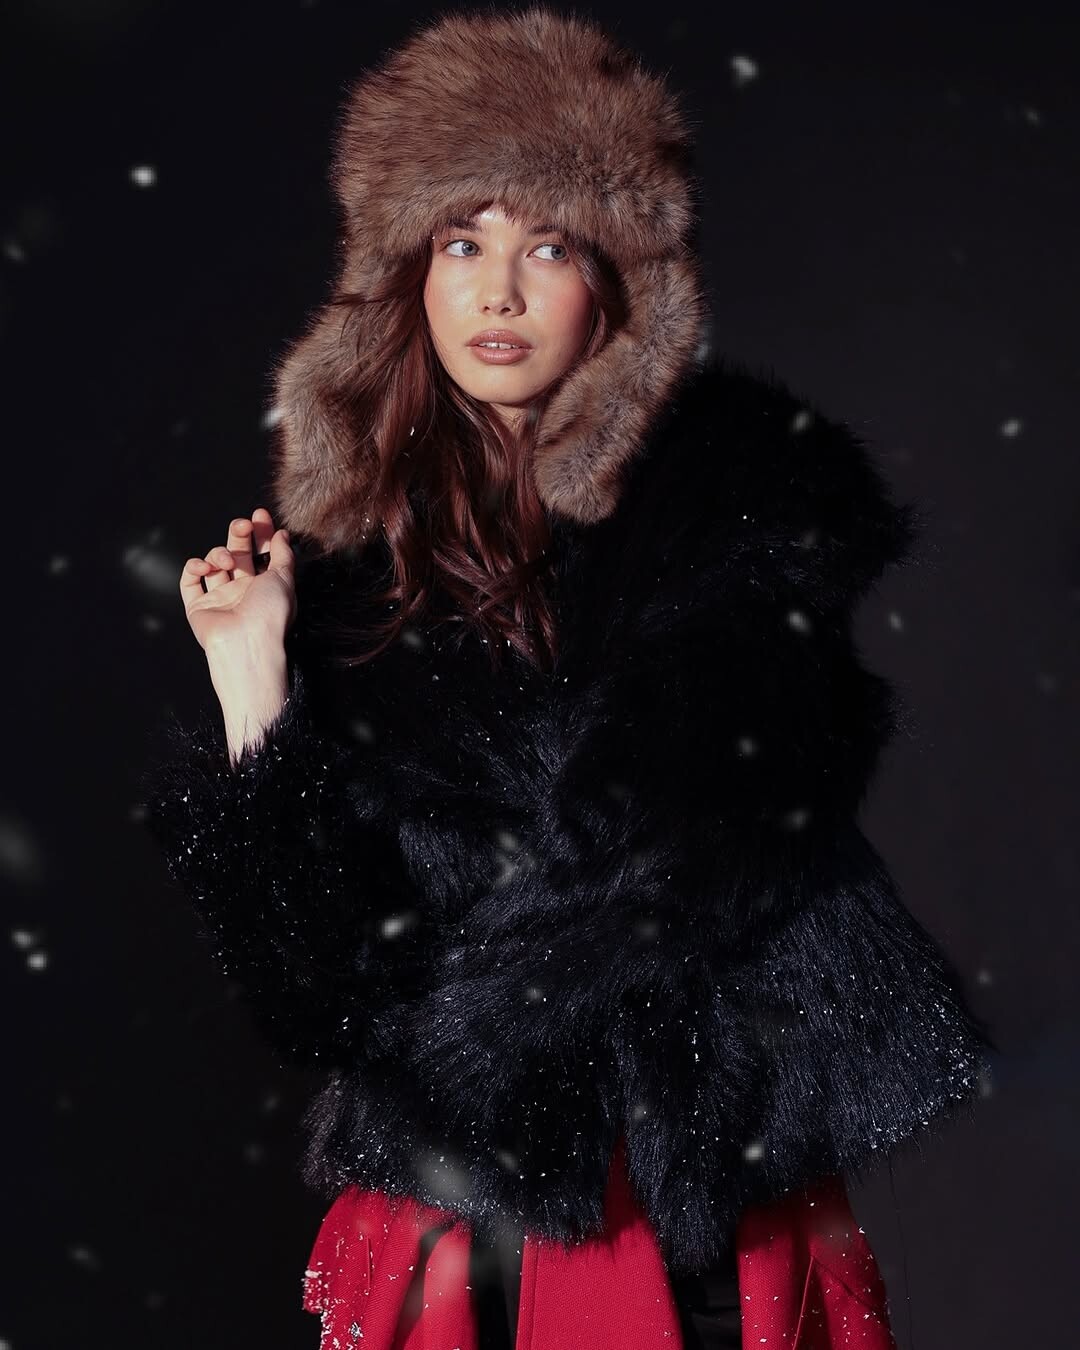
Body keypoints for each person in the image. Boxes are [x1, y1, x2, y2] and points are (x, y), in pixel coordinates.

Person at [140, 7, 996, 1348]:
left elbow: (710, 831)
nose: (498, 291)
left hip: (700, 1201)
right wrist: (251, 673)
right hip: (456, 1230)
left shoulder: (747, 513)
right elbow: (315, 991)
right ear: (406, 278)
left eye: (545, 245)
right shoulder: (347, 587)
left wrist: (461, 1039)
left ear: (617, 280)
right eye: (460, 242)